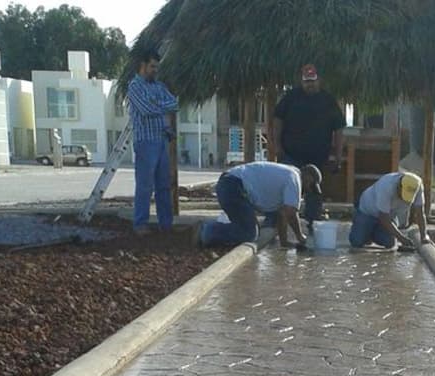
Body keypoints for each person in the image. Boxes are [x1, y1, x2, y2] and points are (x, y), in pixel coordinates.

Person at [267, 64, 345, 229]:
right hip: (291, 153)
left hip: (317, 156)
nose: (309, 84)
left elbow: (339, 130)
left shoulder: (328, 100)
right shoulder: (290, 97)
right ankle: (275, 222)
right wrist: (277, 145)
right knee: (285, 187)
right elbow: (277, 121)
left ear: (319, 80)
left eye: (312, 81)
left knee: (314, 190)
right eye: (306, 81)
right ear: (301, 81)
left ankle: (312, 223)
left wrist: (338, 156)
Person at [194, 161, 323, 248]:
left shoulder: (289, 174)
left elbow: (282, 214)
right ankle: (207, 231)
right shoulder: (294, 178)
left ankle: (215, 233)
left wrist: (284, 242)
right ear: (308, 177)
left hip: (230, 183)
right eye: (311, 186)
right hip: (234, 186)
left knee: (248, 229)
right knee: (249, 233)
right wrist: (300, 237)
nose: (309, 190)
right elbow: (290, 213)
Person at [126, 49, 179, 235]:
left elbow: (175, 104)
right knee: (145, 185)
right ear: (143, 65)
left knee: (163, 185)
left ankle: (166, 224)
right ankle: (140, 223)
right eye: (152, 66)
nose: (155, 70)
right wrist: (160, 106)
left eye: (157, 67)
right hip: (145, 142)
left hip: (162, 140)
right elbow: (146, 109)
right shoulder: (134, 86)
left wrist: (157, 105)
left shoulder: (159, 86)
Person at [349, 172, 431, 250]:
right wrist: (402, 238)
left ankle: (371, 232)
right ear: (399, 186)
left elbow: (420, 213)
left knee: (390, 243)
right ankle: (364, 229)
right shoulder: (386, 185)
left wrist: (424, 236)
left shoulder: (417, 186)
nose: (403, 200)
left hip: (389, 214)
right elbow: (383, 217)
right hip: (367, 212)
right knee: (357, 241)